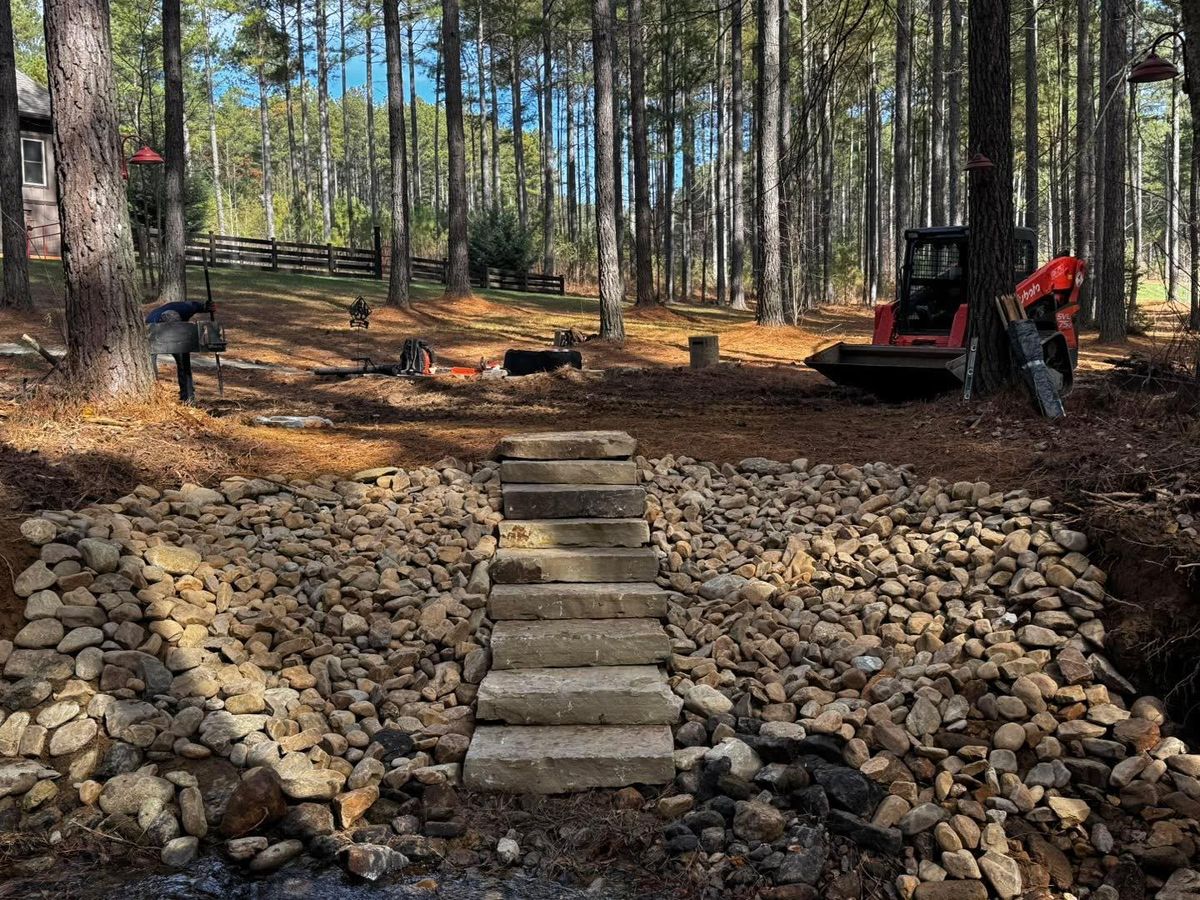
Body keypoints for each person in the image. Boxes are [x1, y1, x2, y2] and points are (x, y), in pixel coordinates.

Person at [145, 299, 213, 401]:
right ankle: (152, 391)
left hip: (180, 332)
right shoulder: (152, 322)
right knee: (149, 361)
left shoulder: (186, 309)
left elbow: (194, 304)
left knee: (184, 361)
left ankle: (188, 396)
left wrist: (206, 307)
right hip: (156, 334)